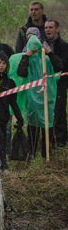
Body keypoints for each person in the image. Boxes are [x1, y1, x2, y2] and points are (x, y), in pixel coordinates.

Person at [10, 33, 57, 158]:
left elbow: (58, 67)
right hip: (32, 97)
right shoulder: (27, 60)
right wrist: (26, 57)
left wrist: (49, 53)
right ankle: (31, 151)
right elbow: (21, 73)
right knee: (32, 127)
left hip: (48, 96)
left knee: (48, 125)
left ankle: (46, 152)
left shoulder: (46, 59)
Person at [43, 19, 68, 148]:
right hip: (45, 83)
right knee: (47, 111)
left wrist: (50, 53)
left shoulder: (63, 45)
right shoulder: (42, 43)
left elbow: (63, 65)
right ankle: (49, 140)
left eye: (50, 27)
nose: (48, 30)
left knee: (59, 111)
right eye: (46, 27)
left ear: (57, 29)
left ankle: (62, 141)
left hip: (60, 83)